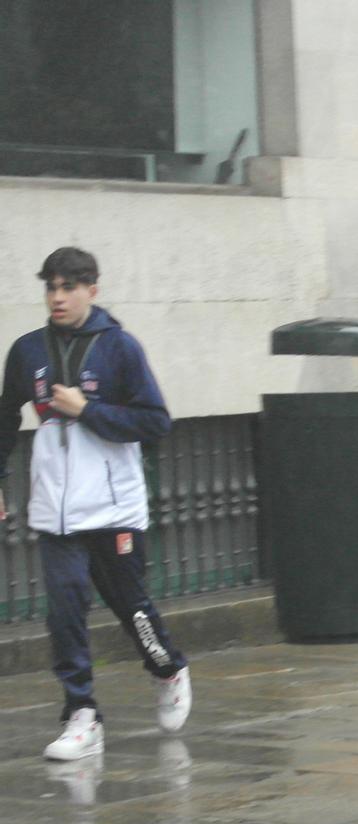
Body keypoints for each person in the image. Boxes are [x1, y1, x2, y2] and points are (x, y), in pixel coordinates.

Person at [0, 246, 190, 761]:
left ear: (92, 290)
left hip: (112, 507)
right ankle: (81, 713)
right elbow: (5, 418)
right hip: (54, 510)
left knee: (131, 606)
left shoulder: (119, 348)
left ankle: (168, 668)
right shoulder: (26, 351)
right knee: (64, 609)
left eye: (68, 287)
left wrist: (87, 410)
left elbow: (155, 422)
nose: (58, 298)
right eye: (51, 288)